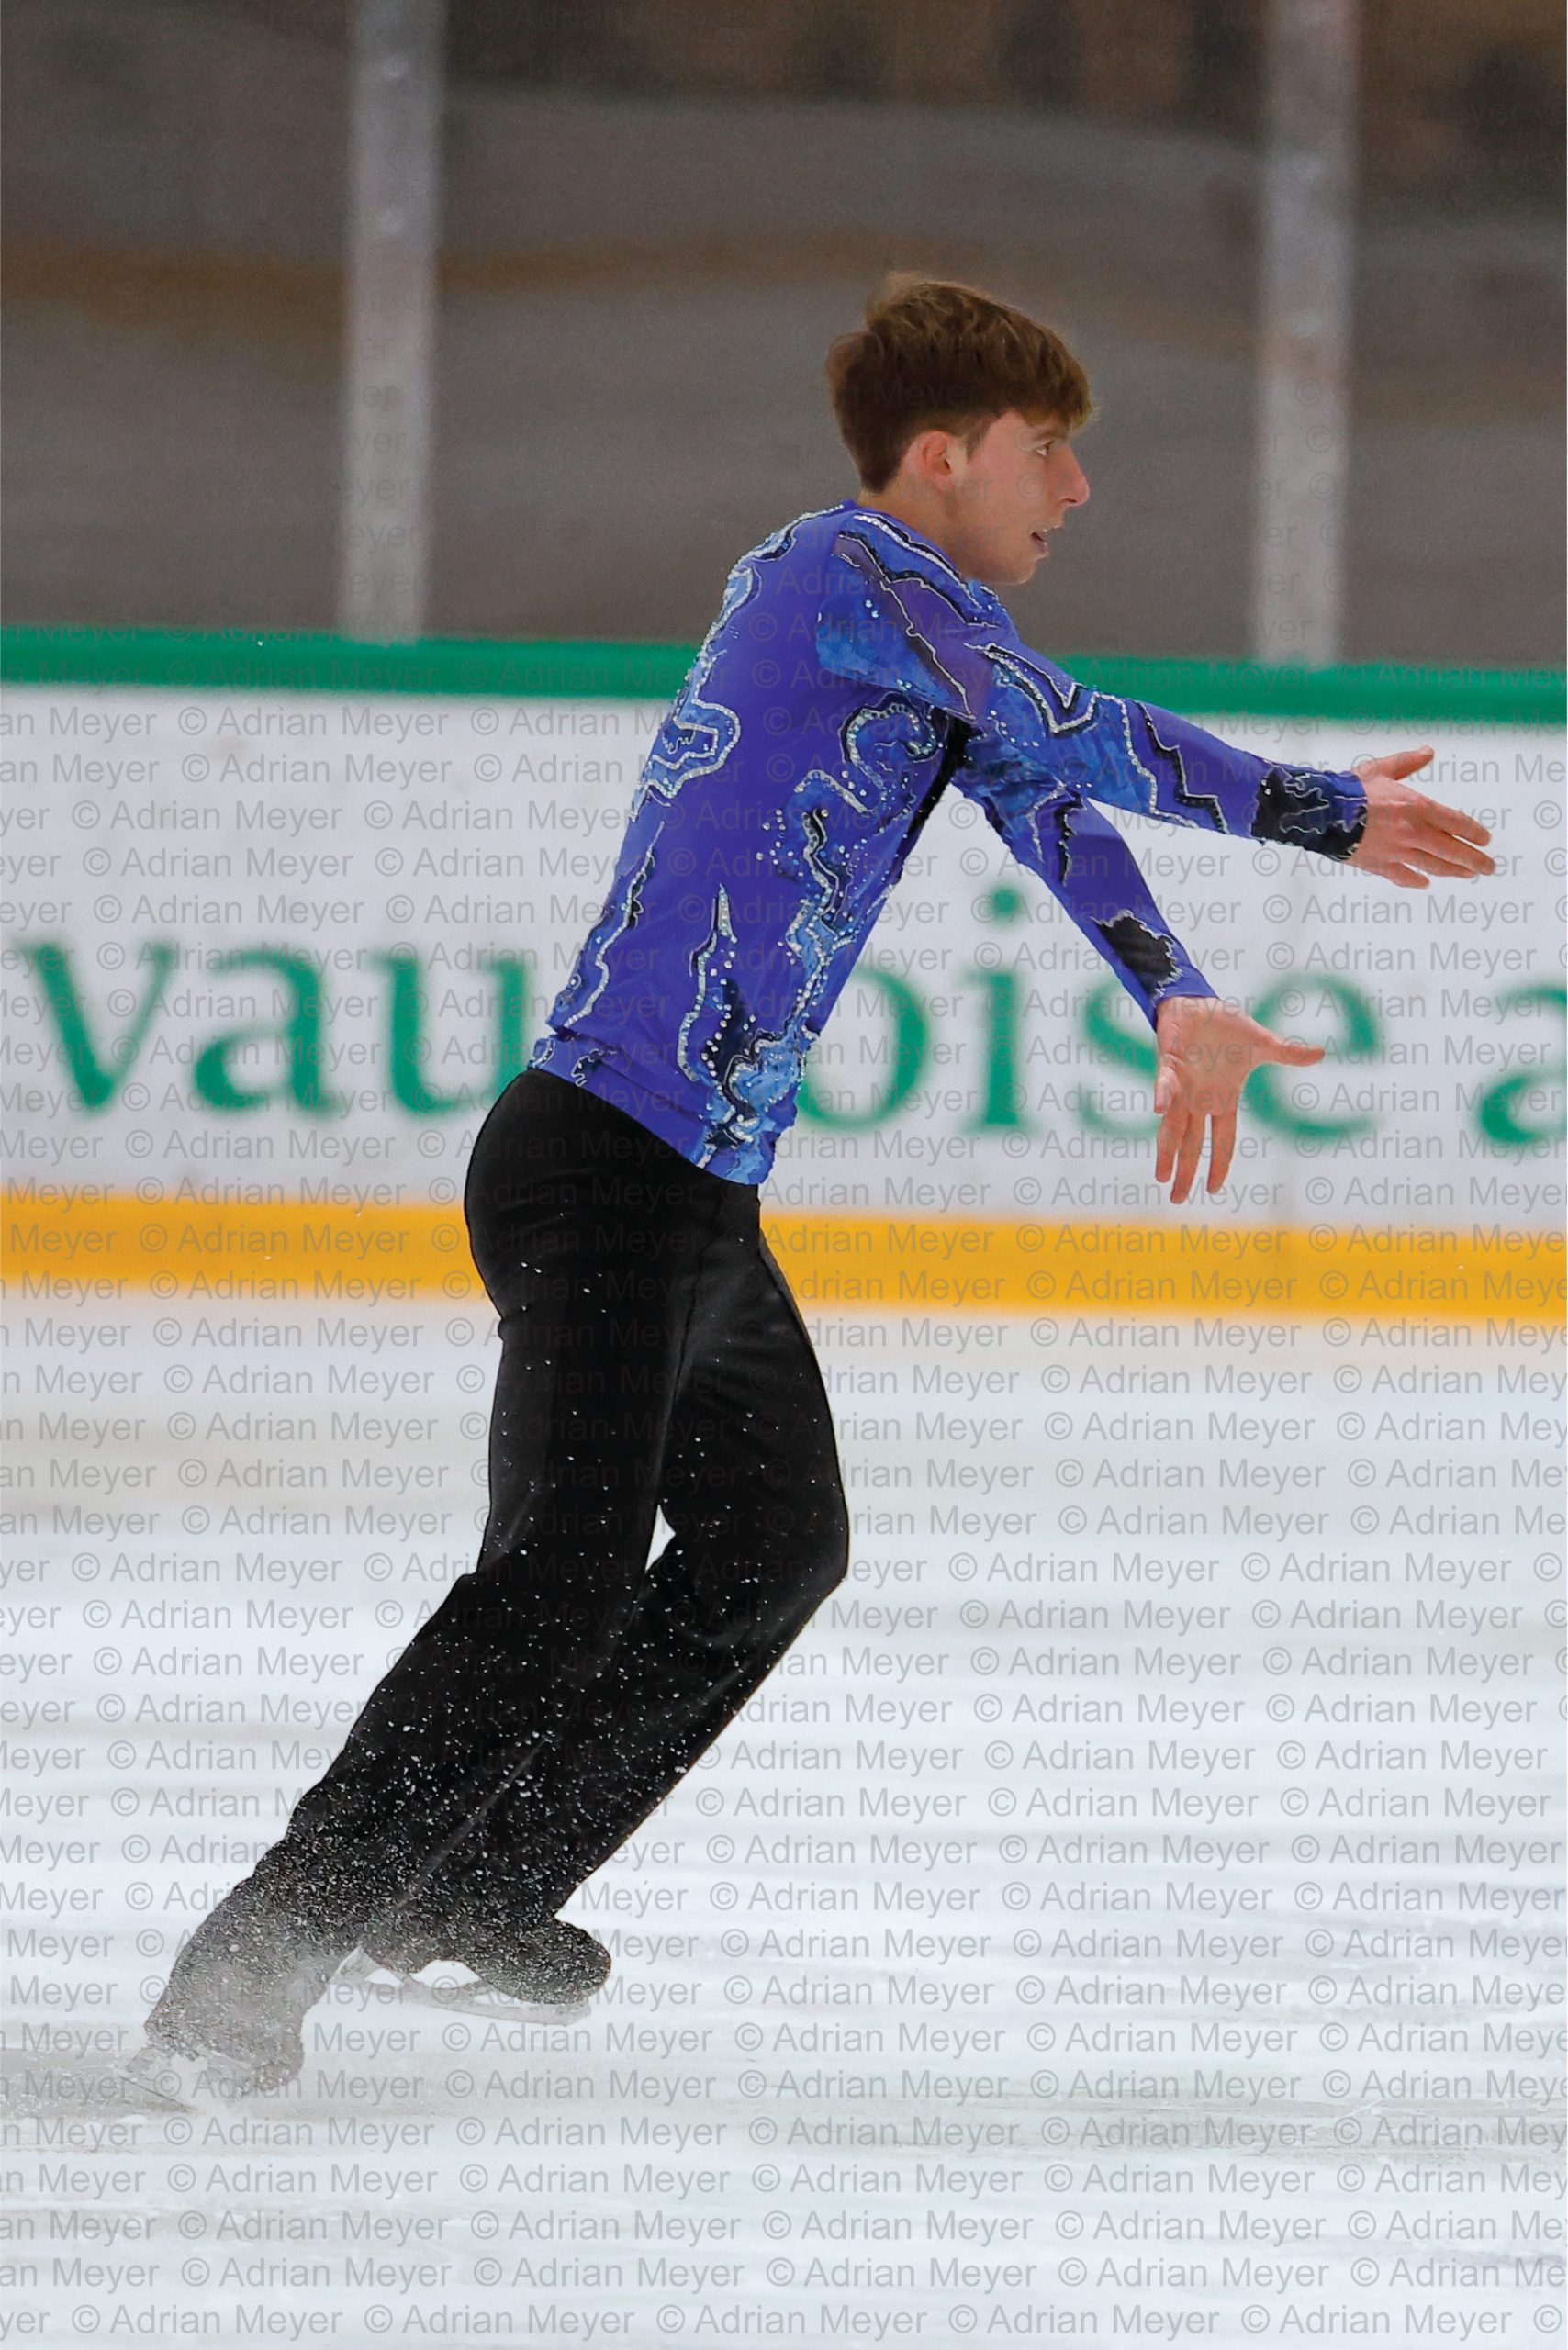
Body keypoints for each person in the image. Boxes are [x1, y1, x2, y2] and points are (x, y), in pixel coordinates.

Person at [128, 275, 1494, 2100]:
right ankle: (253, 1955)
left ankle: (472, 1883)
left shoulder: (927, 638)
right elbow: (1077, 728)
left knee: (775, 1540)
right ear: (939, 457)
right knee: (554, 1579)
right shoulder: (845, 579)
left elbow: (1040, 793)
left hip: (692, 1193)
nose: (1071, 494)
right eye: (1046, 453)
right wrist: (1316, 809)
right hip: (602, 1156)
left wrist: (1169, 986)